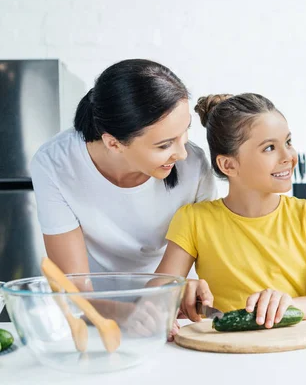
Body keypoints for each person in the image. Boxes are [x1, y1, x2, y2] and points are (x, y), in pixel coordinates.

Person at [156, 93, 306, 335]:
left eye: (288, 142)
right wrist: (178, 292)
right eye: (270, 148)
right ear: (228, 165)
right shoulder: (194, 220)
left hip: (298, 352)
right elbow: (155, 294)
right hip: (224, 353)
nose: (288, 157)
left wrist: (288, 306)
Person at [31, 59, 216, 275]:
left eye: (185, 131)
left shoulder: (195, 166)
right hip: (94, 303)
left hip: (172, 298)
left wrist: (170, 300)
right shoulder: (55, 164)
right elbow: (75, 287)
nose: (183, 154)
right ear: (113, 143)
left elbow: (200, 266)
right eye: (164, 145)